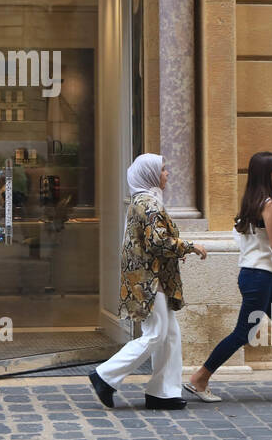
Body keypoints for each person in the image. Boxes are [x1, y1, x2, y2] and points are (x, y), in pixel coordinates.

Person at [184, 151, 272, 405]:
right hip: (258, 278)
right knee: (243, 333)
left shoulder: (252, 201)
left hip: (260, 277)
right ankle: (200, 378)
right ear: (269, 173)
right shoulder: (269, 205)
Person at [89, 153, 207, 410]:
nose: (167, 174)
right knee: (156, 334)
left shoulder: (144, 200)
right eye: (163, 170)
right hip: (149, 282)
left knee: (170, 335)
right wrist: (189, 247)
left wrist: (174, 253)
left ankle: (162, 392)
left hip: (152, 279)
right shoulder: (148, 203)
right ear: (151, 174)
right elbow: (159, 241)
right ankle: (105, 376)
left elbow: (150, 243)